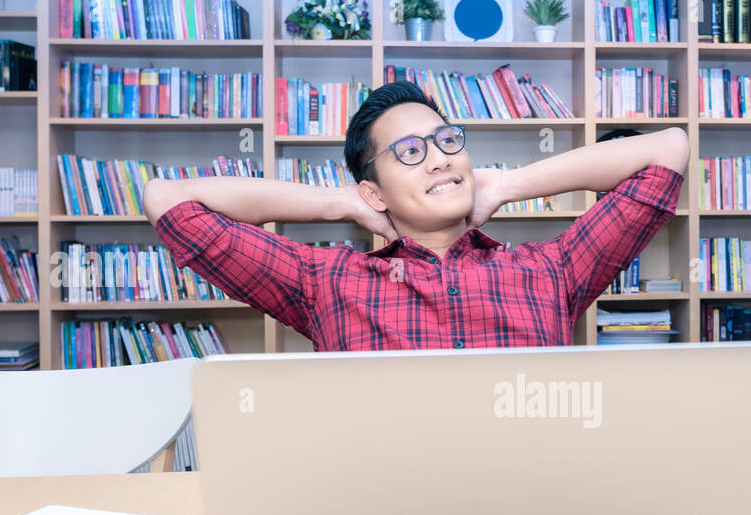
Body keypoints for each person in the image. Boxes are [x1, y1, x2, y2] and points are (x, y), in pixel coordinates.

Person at [142, 80, 688, 350]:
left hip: (528, 513)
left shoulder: (551, 269)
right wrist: (341, 204)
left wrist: (511, 183)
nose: (440, 158)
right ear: (374, 193)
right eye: (409, 152)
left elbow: (670, 149)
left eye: (446, 140)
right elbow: (167, 201)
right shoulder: (324, 280)